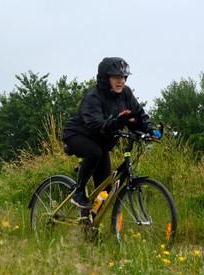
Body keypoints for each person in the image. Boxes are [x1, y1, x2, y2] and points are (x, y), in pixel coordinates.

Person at [62, 57, 157, 208]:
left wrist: (150, 130)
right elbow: (95, 124)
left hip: (101, 142)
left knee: (104, 192)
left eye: (123, 77)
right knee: (95, 153)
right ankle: (79, 192)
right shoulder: (93, 97)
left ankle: (89, 220)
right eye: (116, 77)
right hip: (77, 135)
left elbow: (138, 115)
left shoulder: (126, 94)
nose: (121, 81)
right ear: (105, 79)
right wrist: (117, 122)